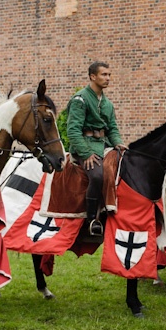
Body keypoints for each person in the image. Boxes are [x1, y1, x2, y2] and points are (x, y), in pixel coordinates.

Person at [66, 61, 126, 236]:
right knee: (98, 175)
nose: (108, 78)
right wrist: (85, 153)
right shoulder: (80, 99)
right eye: (104, 75)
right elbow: (73, 130)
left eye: (109, 74)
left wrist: (118, 142)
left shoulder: (108, 104)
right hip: (84, 147)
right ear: (93, 76)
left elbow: (112, 129)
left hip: (104, 146)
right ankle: (92, 219)